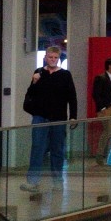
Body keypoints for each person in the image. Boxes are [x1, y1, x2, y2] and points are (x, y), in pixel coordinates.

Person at [21, 46, 76, 191]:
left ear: (59, 58)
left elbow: (72, 96)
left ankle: (57, 180)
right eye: (50, 57)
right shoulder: (38, 72)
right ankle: (33, 181)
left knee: (57, 149)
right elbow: (31, 94)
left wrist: (73, 116)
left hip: (58, 118)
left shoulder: (65, 75)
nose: (53, 60)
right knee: (37, 148)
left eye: (55, 57)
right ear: (46, 57)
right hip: (40, 116)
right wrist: (34, 82)